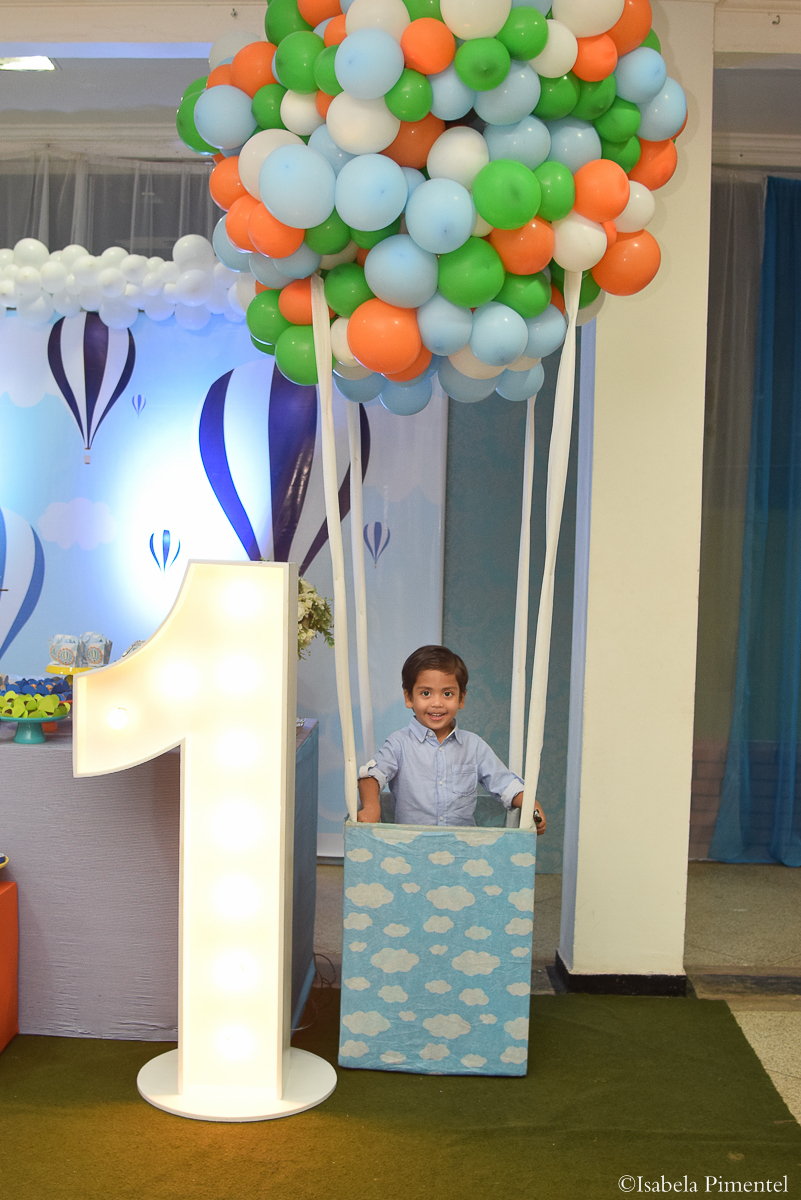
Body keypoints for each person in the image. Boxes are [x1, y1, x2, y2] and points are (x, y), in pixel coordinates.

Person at [357, 644, 546, 831]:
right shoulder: (399, 743)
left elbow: (505, 784)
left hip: (461, 846)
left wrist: (532, 806)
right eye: (426, 693)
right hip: (411, 845)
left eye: (447, 694)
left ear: (461, 698)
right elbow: (372, 776)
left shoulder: (474, 746)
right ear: (409, 697)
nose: (437, 703)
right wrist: (371, 807)